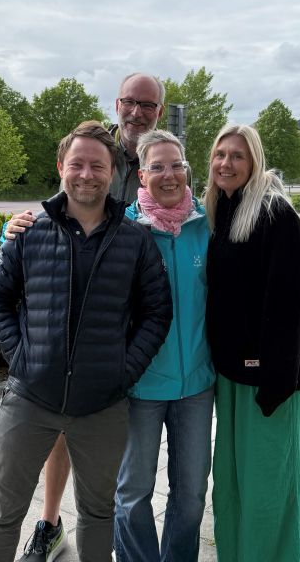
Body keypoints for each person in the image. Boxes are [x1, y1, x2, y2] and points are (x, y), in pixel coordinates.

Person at [0, 121, 173, 562]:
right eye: (77, 164)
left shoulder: (136, 240)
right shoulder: (29, 231)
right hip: (30, 399)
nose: (87, 174)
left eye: (97, 166)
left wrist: (123, 371)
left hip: (103, 406)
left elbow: (157, 313)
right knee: (3, 513)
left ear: (112, 172)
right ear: (60, 167)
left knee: (99, 514)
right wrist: (22, 358)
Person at [203, 123, 300, 562]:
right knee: (231, 487)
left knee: (267, 490)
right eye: (220, 154)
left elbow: (287, 306)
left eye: (237, 156)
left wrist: (274, 383)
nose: (226, 163)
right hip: (230, 378)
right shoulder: (221, 210)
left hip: (268, 383)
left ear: (254, 161)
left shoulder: (275, 214)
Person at [114, 130, 214, 562]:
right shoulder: (123, 230)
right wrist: (9, 231)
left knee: (191, 494)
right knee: (133, 493)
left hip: (197, 385)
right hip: (141, 387)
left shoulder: (208, 225)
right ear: (142, 175)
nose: (169, 175)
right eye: (157, 167)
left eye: (177, 165)